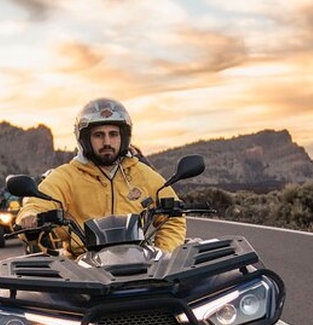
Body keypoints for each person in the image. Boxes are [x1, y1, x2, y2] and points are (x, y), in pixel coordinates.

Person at [15, 97, 186, 256]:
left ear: (124, 137)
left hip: (140, 264)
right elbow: (37, 203)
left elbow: (174, 218)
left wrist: (163, 254)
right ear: (84, 139)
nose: (107, 142)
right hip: (82, 271)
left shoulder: (142, 173)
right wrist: (29, 217)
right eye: (99, 135)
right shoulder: (66, 176)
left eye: (113, 134)